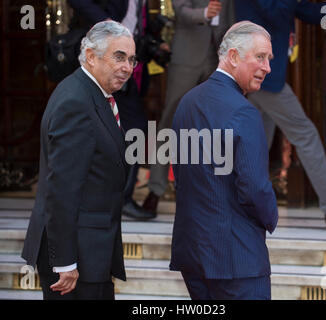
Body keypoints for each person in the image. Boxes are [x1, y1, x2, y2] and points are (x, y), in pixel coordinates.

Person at [21, 21, 136, 300]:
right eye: (118, 57)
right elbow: (61, 189)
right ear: (91, 56)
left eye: (132, 59)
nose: (127, 67)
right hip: (75, 261)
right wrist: (65, 261)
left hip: (91, 253)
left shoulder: (93, 93)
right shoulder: (77, 101)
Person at [170, 21, 278, 300]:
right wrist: (271, 218)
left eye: (268, 59)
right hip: (237, 258)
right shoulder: (244, 112)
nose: (267, 67)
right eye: (260, 57)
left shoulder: (186, 103)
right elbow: (254, 188)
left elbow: (182, 178)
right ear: (232, 57)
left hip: (194, 256)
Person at [234, 0, 326, 231]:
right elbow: (275, 11)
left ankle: (235, 206)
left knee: (255, 146)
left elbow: (309, 14)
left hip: (264, 76)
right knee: (306, 135)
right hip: (261, 75)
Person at [68, 0, 170, 220]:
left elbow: (135, 20)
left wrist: (155, 39)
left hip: (127, 68)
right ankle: (116, 199)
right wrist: (104, 23)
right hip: (102, 61)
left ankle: (119, 198)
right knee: (115, 128)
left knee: (132, 129)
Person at [142, 0, 234, 215]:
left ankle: (210, 191)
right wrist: (204, 12)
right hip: (187, 55)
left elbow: (231, 18)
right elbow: (180, 10)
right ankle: (155, 189)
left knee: (213, 124)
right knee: (170, 119)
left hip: (218, 58)